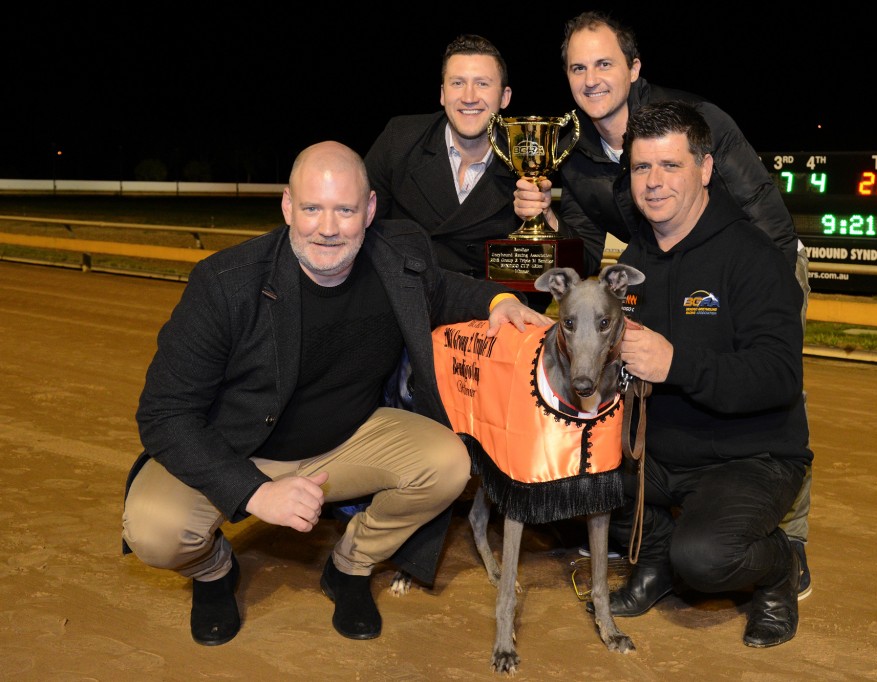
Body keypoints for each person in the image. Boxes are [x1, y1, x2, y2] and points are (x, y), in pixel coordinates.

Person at [120, 141, 550, 646]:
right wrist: (255, 491)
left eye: (345, 209)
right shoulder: (224, 284)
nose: (328, 227)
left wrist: (498, 298)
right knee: (153, 530)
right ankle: (214, 572)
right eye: (312, 208)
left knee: (447, 464)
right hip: (237, 447)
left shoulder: (399, 253)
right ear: (287, 207)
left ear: (369, 210)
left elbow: (444, 288)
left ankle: (349, 565)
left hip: (347, 439)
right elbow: (164, 414)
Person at [513, 10, 813, 597]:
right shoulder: (571, 149)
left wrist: (774, 281)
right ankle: (649, 537)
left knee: (770, 389)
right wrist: (548, 221)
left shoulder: (693, 121)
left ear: (634, 68)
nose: (592, 77)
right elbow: (595, 242)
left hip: (756, 255)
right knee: (649, 399)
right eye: (579, 67)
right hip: (662, 255)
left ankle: (788, 542)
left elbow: (758, 204)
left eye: (604, 63)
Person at [592, 100, 811, 648]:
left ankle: (780, 566)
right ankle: (658, 559)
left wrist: (677, 364)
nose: (654, 182)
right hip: (662, 452)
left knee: (708, 559)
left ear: (706, 169)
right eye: (642, 167)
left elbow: (779, 375)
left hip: (749, 454)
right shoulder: (635, 257)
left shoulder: (753, 256)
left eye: (671, 166)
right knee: (575, 474)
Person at [364, 34, 551, 313]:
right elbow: (361, 226)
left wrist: (547, 219)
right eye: (457, 83)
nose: (469, 97)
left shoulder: (528, 158)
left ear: (504, 97)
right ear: (442, 93)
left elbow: (543, 274)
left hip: (490, 318)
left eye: (482, 84)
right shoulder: (399, 141)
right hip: (407, 307)